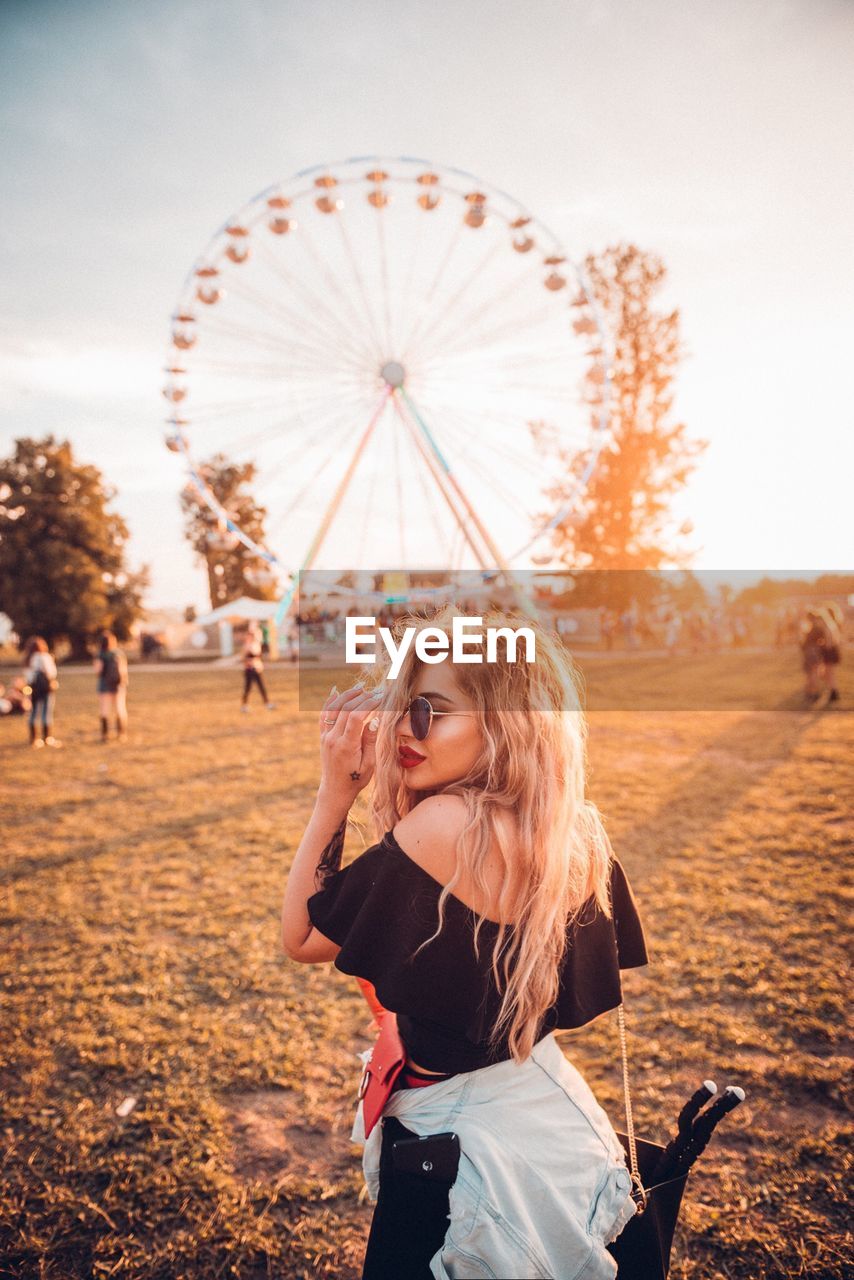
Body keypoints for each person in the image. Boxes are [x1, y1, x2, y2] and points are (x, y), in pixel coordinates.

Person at [281, 607, 649, 1279]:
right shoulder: (570, 829)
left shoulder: (447, 824)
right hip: (547, 1113)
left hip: (466, 1148)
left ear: (505, 724)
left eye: (432, 712)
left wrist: (334, 793)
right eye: (404, 709)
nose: (405, 731)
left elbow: (303, 935)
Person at [22, 636, 60, 748]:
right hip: (45, 688)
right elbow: (51, 672)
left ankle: (33, 739)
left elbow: (27, 677)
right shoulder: (44, 657)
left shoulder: (28, 658)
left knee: (33, 712)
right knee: (46, 711)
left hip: (34, 688)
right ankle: (47, 737)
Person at [95, 630, 129, 741]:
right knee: (120, 708)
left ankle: (105, 735)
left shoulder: (100, 654)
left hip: (104, 685)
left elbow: (98, 671)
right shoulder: (119, 653)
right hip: (118, 685)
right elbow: (123, 670)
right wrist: (123, 682)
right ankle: (121, 734)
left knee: (104, 710)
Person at [240, 622, 275, 712]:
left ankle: (267, 703)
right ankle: (244, 705)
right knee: (248, 688)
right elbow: (244, 658)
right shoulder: (246, 646)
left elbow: (259, 656)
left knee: (261, 687)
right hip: (249, 670)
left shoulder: (256, 645)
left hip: (257, 669)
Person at [800, 609, 827, 703]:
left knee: (812, 673)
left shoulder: (813, 628)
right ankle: (812, 692)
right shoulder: (818, 627)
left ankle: (813, 693)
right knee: (813, 673)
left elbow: (805, 642)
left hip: (811, 652)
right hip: (815, 651)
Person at [819, 602, 843, 703]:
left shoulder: (826, 627)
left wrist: (820, 644)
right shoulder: (832, 625)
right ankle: (832, 691)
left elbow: (828, 644)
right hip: (833, 652)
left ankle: (833, 692)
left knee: (829, 673)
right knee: (828, 673)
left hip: (829, 653)